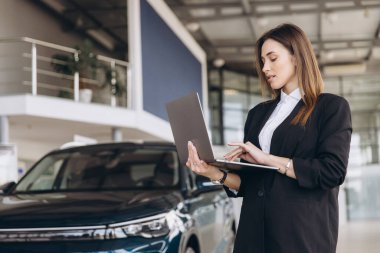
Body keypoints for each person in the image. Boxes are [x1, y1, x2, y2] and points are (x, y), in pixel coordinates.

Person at [186, 23, 352, 253]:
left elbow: (332, 172)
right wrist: (213, 173)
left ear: (297, 57)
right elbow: (250, 185)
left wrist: (267, 159)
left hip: (301, 236)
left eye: (272, 58)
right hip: (254, 236)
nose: (265, 68)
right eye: (263, 61)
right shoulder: (258, 114)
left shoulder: (331, 108)